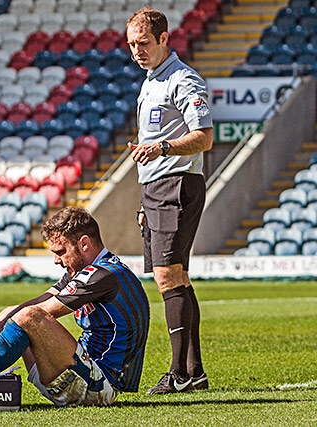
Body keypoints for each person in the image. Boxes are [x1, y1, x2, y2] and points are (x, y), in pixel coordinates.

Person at [0, 206, 150, 407]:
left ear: (84, 244)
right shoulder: (92, 271)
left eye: (61, 252)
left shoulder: (101, 275)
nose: (56, 260)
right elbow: (39, 301)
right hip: (80, 373)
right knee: (10, 312)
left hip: (97, 385)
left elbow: (39, 312)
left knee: (29, 316)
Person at [125, 6, 213, 394]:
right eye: (130, 44)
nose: (136, 51)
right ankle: (193, 372)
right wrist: (146, 199)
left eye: (143, 43)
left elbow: (204, 137)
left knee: (167, 278)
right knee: (178, 278)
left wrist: (161, 148)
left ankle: (178, 374)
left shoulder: (183, 79)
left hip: (176, 184)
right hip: (159, 189)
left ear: (164, 39)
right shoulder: (150, 81)